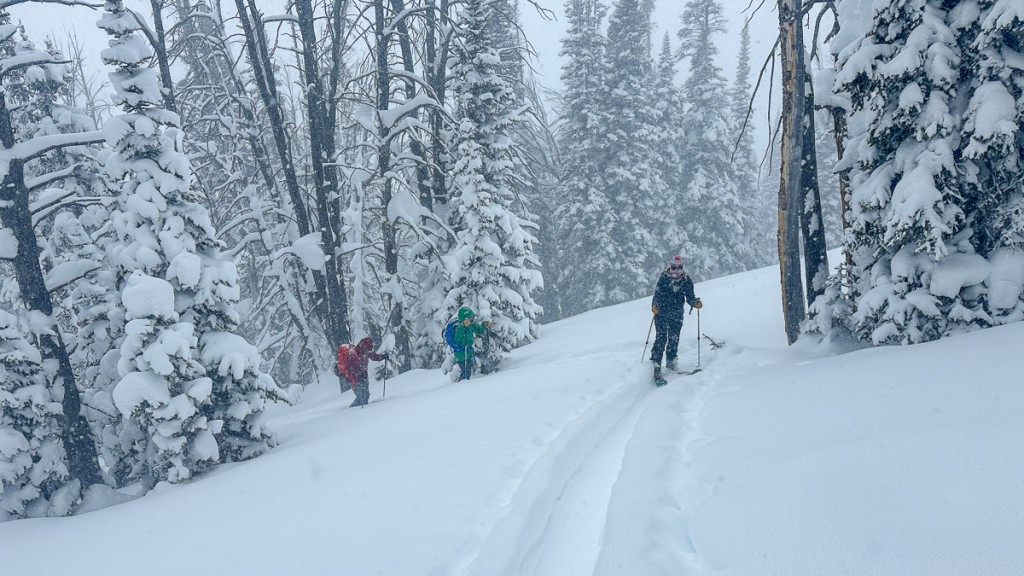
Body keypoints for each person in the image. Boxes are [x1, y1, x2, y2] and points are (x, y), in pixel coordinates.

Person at [650, 255, 702, 379]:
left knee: (674, 339)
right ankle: (655, 363)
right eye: (674, 267)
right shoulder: (664, 278)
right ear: (670, 266)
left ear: (682, 268)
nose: (676, 270)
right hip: (661, 313)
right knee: (661, 338)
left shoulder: (686, 280)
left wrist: (695, 302)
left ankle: (671, 363)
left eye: (679, 268)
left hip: (677, 314)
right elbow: (657, 294)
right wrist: (654, 306)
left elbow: (689, 296)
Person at [338, 336, 387, 407]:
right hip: (354, 380)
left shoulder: (365, 351)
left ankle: (364, 412)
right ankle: (353, 411)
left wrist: (382, 357)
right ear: (363, 346)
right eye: (368, 348)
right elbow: (352, 370)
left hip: (363, 378)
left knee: (366, 396)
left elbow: (374, 356)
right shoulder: (352, 354)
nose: (369, 350)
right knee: (361, 398)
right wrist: (360, 374)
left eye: (370, 348)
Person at [452, 306, 490, 381]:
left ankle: (465, 383)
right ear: (464, 319)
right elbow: (457, 340)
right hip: (461, 354)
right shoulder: (459, 327)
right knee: (466, 371)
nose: (472, 320)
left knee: (468, 370)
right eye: (470, 318)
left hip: (468, 351)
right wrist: (463, 327)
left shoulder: (470, 325)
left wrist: (484, 325)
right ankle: (462, 385)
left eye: (472, 318)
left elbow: (479, 330)